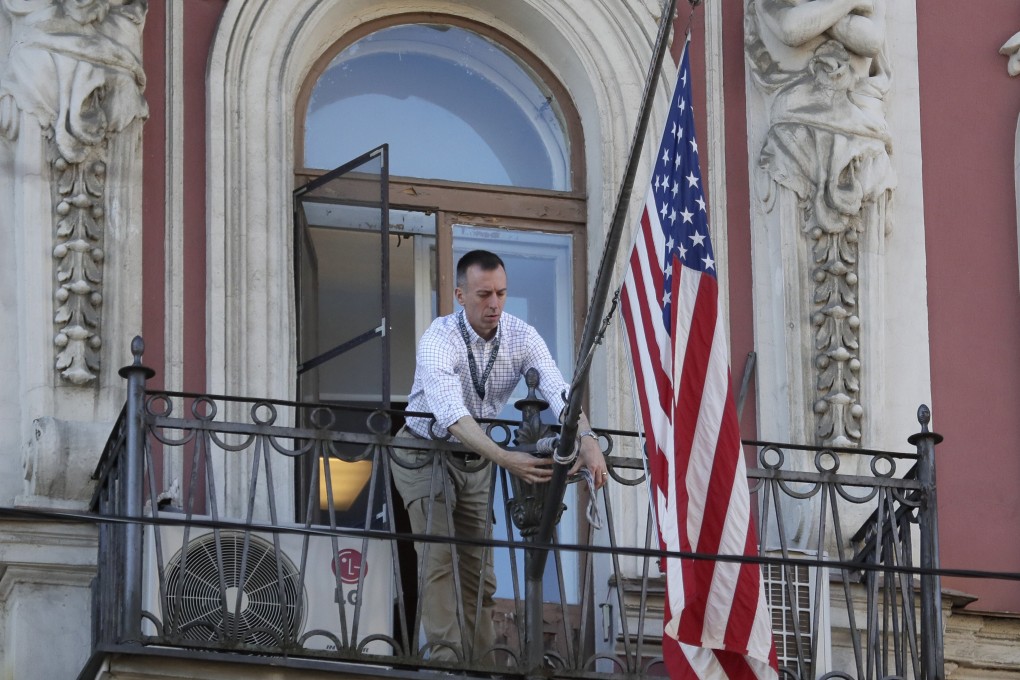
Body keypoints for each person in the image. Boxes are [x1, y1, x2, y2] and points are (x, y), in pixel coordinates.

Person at [391, 249, 606, 665]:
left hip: (475, 458)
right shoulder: (439, 338)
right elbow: (451, 414)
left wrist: (587, 437)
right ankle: (447, 666)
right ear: (460, 295)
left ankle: (483, 666)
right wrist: (505, 458)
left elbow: (558, 389)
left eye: (502, 293)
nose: (495, 303)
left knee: (481, 573)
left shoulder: (522, 336)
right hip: (423, 451)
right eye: (484, 294)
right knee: (439, 561)